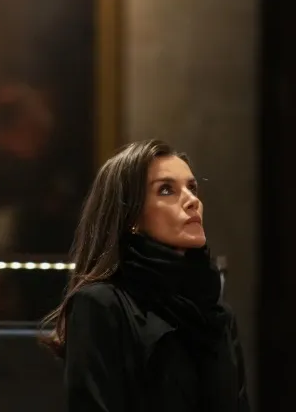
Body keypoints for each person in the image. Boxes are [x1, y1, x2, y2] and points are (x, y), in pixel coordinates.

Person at [43, 139, 249, 411]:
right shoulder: (100, 305)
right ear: (131, 218)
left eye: (192, 187)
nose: (192, 201)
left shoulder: (217, 313)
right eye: (166, 190)